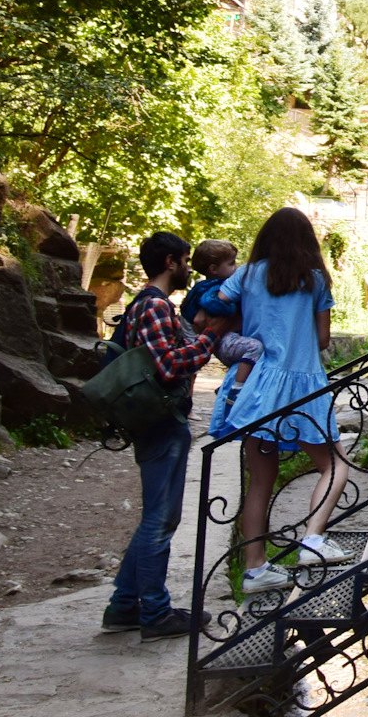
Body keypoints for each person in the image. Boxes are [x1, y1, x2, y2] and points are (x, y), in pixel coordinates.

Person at [212, 207, 351, 594]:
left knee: (260, 480)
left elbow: (218, 302)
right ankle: (312, 540)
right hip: (301, 385)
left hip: (256, 386)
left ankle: (255, 570)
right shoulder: (315, 279)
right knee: (335, 465)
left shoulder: (248, 274)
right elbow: (322, 341)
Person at [101, 231, 224, 639]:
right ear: (171, 262)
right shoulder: (154, 306)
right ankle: (154, 611)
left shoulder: (146, 304)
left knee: (157, 516)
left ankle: (123, 606)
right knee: (161, 519)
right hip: (160, 423)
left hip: (155, 422)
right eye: (186, 260)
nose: (190, 267)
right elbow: (169, 366)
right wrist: (211, 337)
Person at [182, 241, 265, 430]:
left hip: (222, 339)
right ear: (213, 269)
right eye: (231, 264)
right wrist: (230, 307)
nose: (236, 268)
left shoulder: (209, 284)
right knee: (255, 347)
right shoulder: (213, 287)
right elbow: (210, 303)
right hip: (223, 338)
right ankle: (236, 389)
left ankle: (228, 387)